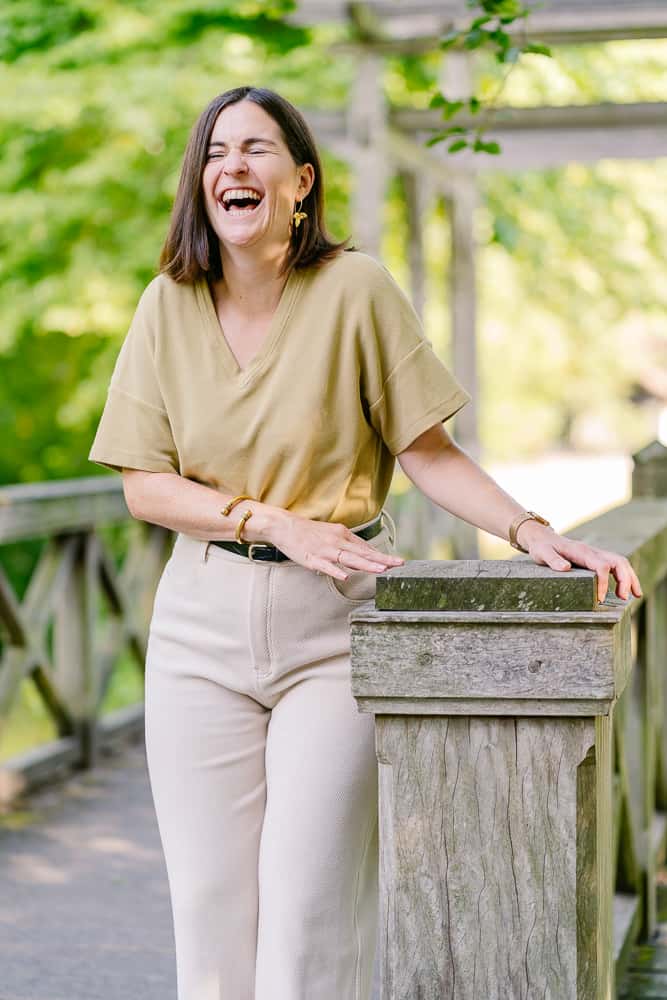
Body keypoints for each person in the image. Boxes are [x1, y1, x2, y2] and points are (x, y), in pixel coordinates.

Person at [88, 85, 642, 1000]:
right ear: (198, 182)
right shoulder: (166, 305)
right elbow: (144, 484)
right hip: (199, 625)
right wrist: (270, 521)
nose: (232, 166)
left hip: (331, 628)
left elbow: (428, 452)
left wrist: (534, 531)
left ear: (301, 181)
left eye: (256, 149)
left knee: (310, 909)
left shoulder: (355, 290)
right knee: (210, 913)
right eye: (215, 152)